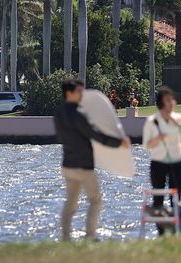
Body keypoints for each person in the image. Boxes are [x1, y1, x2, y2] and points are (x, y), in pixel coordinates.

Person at [54, 79, 131, 241]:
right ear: (69, 93)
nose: (82, 95)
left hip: (67, 164)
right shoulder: (79, 115)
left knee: (70, 203)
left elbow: (62, 137)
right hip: (84, 166)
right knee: (95, 200)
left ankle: (65, 237)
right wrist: (119, 143)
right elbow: (97, 136)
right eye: (79, 92)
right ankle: (90, 235)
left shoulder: (59, 114)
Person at [142, 86, 181, 232]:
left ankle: (176, 229)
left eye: (172, 99)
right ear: (161, 102)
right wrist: (158, 138)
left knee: (176, 198)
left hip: (177, 162)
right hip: (158, 162)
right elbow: (146, 145)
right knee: (158, 198)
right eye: (168, 100)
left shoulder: (179, 118)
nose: (171, 103)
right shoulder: (152, 121)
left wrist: (174, 122)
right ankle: (161, 231)